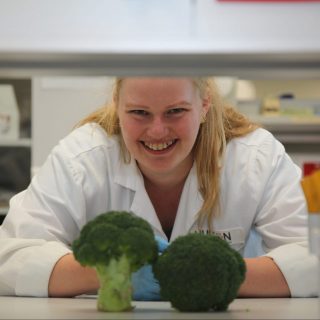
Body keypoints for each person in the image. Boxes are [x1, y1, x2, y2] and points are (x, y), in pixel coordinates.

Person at [0, 77, 318, 299]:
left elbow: (314, 255)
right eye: (139, 112)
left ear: (205, 103)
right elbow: (11, 256)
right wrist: (109, 273)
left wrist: (215, 274)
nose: (157, 130)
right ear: (116, 104)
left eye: (175, 111)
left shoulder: (256, 158)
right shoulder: (81, 159)